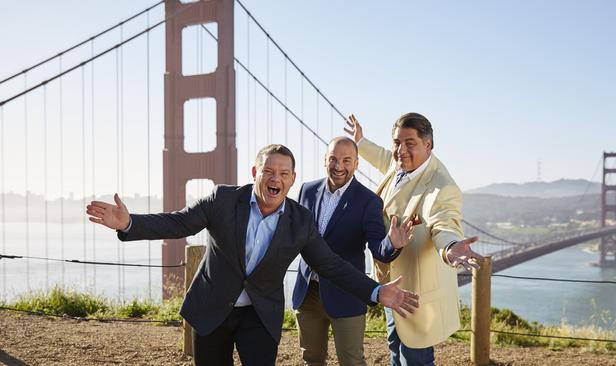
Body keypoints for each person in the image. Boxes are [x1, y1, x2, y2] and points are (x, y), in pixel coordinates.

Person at [85, 144, 419, 366]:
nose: (276, 179)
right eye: (269, 171)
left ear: (292, 180)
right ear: (254, 173)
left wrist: (377, 291)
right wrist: (129, 223)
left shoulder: (300, 221)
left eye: (284, 174)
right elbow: (179, 222)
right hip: (212, 308)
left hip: (259, 315)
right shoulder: (223, 200)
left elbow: (330, 265)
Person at [345, 114, 483, 366]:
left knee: (415, 359)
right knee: (395, 350)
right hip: (391, 285)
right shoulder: (399, 163)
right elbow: (384, 157)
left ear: (428, 145)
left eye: (410, 143)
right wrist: (360, 141)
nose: (401, 150)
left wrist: (451, 247)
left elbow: (444, 221)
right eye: (397, 142)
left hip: (416, 295)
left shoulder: (441, 187)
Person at [292, 137, 411, 366]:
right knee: (311, 359)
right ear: (324, 160)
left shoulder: (369, 201)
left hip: (347, 294)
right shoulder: (306, 191)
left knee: (352, 361)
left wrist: (392, 243)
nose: (339, 166)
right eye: (333, 159)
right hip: (308, 292)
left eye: (347, 160)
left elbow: (378, 249)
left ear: (357, 164)